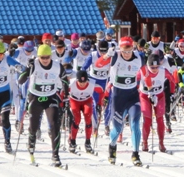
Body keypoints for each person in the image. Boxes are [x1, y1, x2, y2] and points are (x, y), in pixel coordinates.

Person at [18, 43, 69, 167]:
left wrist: (66, 95)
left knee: (54, 124)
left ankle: (55, 155)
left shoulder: (57, 66)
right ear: (38, 57)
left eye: (47, 57)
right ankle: (31, 145)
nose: (45, 60)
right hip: (35, 97)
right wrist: (28, 69)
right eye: (42, 58)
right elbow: (20, 80)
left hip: (50, 97)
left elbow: (64, 81)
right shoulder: (33, 64)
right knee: (34, 126)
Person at [105, 36, 144, 166]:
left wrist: (149, 90)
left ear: (133, 48)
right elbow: (99, 64)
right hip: (118, 96)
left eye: (129, 51)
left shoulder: (139, 57)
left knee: (134, 123)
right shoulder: (115, 56)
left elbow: (146, 73)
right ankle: (112, 146)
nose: (126, 54)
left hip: (132, 95)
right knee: (117, 128)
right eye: (124, 51)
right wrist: (106, 56)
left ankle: (135, 154)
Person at [137, 54, 174, 154]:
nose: (154, 69)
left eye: (156, 67)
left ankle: (161, 143)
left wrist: (172, 93)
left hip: (159, 95)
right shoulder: (143, 70)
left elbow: (172, 79)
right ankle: (145, 142)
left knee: (160, 119)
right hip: (145, 96)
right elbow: (134, 81)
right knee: (147, 119)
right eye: (152, 67)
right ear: (147, 65)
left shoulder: (163, 70)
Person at [67, 69, 96, 153]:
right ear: (77, 80)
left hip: (87, 100)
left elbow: (101, 91)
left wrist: (100, 102)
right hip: (74, 101)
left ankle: (87, 142)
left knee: (88, 117)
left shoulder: (92, 83)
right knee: (76, 119)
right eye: (80, 82)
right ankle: (72, 141)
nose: (83, 84)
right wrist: (63, 103)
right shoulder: (71, 83)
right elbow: (63, 92)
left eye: (84, 82)